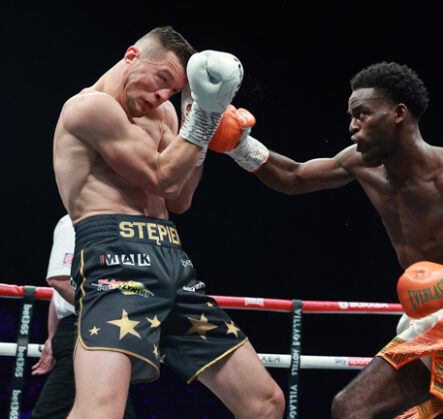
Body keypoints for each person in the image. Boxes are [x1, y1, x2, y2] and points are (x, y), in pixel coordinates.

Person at [207, 62, 443, 418]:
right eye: (352, 116)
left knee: (352, 408)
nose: (353, 126)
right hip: (423, 312)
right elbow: (294, 176)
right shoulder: (361, 164)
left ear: (399, 114)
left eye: (362, 115)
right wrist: (240, 147)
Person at [52, 26, 285, 419]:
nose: (163, 96)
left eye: (173, 91)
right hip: (115, 261)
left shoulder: (163, 113)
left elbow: (179, 197)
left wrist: (204, 128)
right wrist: (205, 118)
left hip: (172, 261)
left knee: (265, 403)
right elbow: (160, 175)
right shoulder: (88, 108)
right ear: (132, 57)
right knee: (100, 409)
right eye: (161, 80)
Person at [31, 214, 136, 418]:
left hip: (101, 327)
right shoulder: (76, 221)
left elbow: (61, 291)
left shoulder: (123, 227)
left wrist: (52, 337)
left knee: (114, 406)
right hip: (86, 328)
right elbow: (59, 281)